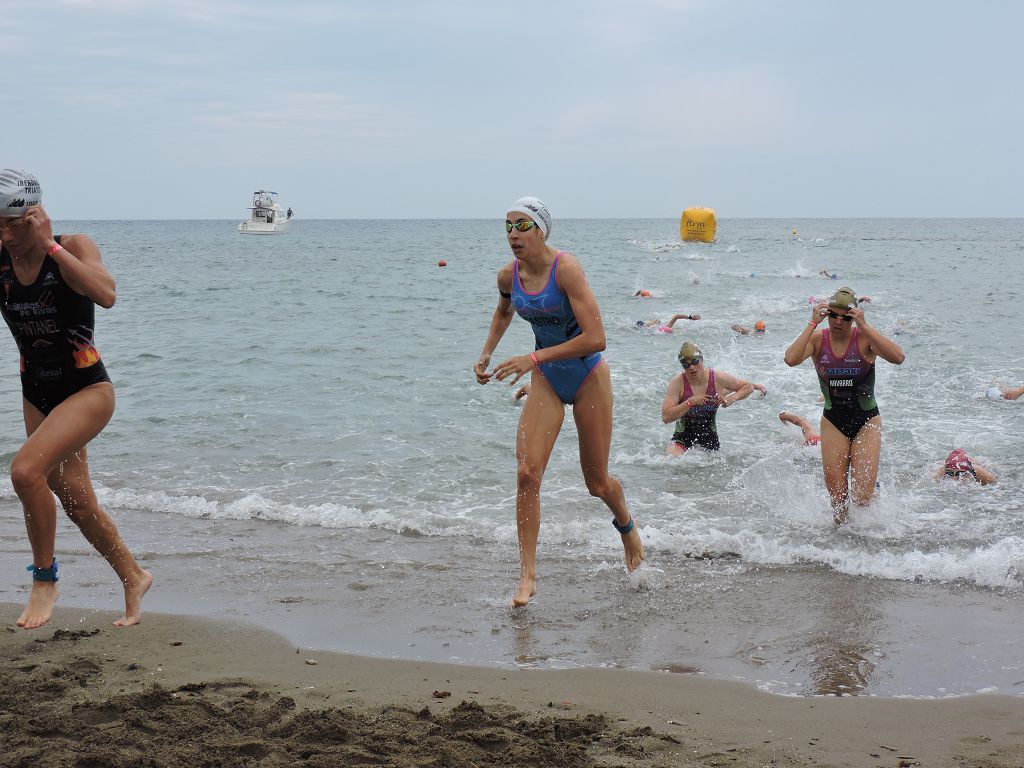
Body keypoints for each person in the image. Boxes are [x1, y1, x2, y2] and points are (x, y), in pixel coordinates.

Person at [0, 170, 152, 629]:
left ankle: (44, 579)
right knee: (76, 498)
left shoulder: (73, 246)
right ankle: (134, 575)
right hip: (37, 391)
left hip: (86, 389)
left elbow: (106, 294)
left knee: (26, 473)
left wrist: (52, 247)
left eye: (10, 224)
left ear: (34, 218)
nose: (3, 234)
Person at [474, 197, 644, 606]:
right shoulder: (507, 277)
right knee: (527, 475)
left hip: (587, 376)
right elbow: (503, 312)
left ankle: (627, 528)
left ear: (542, 230)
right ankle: (528, 576)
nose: (513, 234)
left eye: (522, 225)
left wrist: (532, 356)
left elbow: (595, 338)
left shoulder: (565, 269)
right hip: (547, 378)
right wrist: (485, 353)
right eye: (508, 226)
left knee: (597, 482)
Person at [784, 287, 905, 524]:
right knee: (838, 499)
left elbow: (898, 357)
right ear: (826, 313)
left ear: (854, 317)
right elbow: (790, 359)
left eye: (846, 317)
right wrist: (811, 323)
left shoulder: (864, 339)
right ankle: (840, 544)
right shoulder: (818, 340)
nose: (839, 321)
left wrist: (865, 326)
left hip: (867, 421)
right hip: (833, 421)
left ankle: (871, 506)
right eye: (834, 315)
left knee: (861, 497)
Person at [661, 341, 762, 455]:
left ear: (702, 359)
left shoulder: (717, 378)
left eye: (695, 362)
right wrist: (690, 402)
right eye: (686, 365)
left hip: (709, 439)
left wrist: (732, 398)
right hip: (682, 439)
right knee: (671, 459)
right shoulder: (678, 383)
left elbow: (747, 387)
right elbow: (666, 417)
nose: (692, 367)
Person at [635, 312, 701, 332]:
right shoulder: (661, 328)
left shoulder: (658, 327)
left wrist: (691, 317)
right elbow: (676, 316)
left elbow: (676, 316)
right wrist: (691, 318)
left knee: (656, 321)